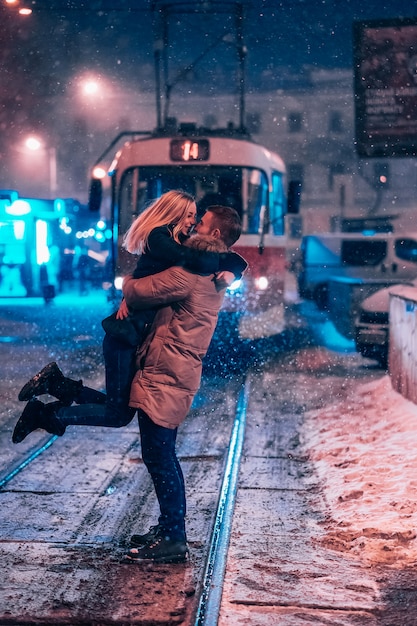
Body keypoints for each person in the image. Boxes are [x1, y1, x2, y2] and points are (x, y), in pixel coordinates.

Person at [12, 194, 246, 446]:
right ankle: (48, 411)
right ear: (174, 214)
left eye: (197, 218)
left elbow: (227, 256)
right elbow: (199, 258)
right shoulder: (160, 238)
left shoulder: (182, 243)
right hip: (125, 333)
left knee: (120, 410)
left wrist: (233, 271)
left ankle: (57, 385)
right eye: (190, 215)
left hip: (136, 336)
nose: (194, 222)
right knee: (117, 413)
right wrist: (131, 293)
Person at [121, 205, 243, 564]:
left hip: (167, 372)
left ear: (214, 234)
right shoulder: (210, 268)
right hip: (173, 369)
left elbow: (139, 292)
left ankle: (174, 535)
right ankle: (169, 527)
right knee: (161, 454)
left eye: (200, 222)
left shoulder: (191, 273)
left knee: (159, 456)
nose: (193, 226)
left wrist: (126, 285)